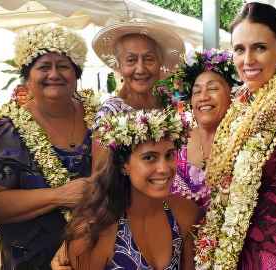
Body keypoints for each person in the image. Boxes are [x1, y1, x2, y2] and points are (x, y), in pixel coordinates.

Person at [195, 3, 276, 269]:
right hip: (237, 254)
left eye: (259, 48)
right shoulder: (241, 106)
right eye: (239, 49)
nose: (248, 60)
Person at [0, 24, 98, 269]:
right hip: (31, 260)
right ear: (27, 77)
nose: (54, 74)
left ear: (77, 73)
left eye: (63, 66)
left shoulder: (99, 118)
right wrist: (59, 196)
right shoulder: (7, 129)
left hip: (98, 255)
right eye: (43, 67)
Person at [55, 109, 198, 270]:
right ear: (124, 165)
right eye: (149, 157)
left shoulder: (184, 213)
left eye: (169, 155)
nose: (164, 168)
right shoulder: (92, 234)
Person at [91, 18, 185, 170]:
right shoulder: (108, 114)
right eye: (131, 60)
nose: (140, 69)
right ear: (119, 66)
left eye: (149, 59)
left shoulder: (168, 104)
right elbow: (100, 179)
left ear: (160, 64)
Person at [153, 49, 237, 210]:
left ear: (231, 95)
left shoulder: (246, 141)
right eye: (197, 91)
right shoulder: (174, 142)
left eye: (213, 89)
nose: (203, 97)